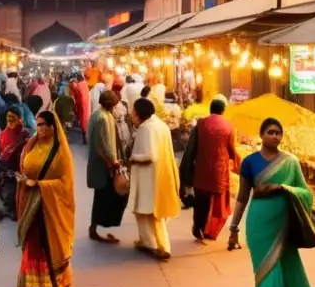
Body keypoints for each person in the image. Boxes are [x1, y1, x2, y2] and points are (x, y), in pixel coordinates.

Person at [228, 118, 315, 287]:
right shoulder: (249, 162)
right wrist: (234, 228)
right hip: (258, 224)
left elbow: (306, 193)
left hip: (283, 225)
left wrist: (283, 188)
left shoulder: (290, 162)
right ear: (262, 135)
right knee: (264, 272)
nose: (275, 137)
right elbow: (242, 197)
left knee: (274, 273)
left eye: (279, 133)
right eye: (271, 132)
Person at [16, 110, 76, 287]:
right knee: (31, 246)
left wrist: (40, 185)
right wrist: (24, 181)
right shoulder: (31, 144)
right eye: (38, 124)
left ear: (52, 127)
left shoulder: (60, 152)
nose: (40, 129)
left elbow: (64, 184)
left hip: (48, 206)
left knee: (40, 245)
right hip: (29, 201)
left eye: (44, 125)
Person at [129, 97, 181, 259]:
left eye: (133, 110)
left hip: (148, 178)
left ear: (138, 113)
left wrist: (133, 157)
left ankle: (156, 245)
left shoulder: (146, 129)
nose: (131, 114)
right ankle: (154, 243)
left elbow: (150, 155)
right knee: (154, 214)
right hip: (161, 175)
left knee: (147, 213)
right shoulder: (161, 125)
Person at [181, 98, 239, 242]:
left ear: (210, 109)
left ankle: (199, 226)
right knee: (216, 201)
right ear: (223, 110)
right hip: (220, 171)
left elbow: (191, 148)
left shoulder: (201, 124)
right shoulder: (229, 126)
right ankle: (209, 229)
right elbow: (232, 150)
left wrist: (186, 168)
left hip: (202, 168)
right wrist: (237, 162)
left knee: (202, 199)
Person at [87, 89, 127, 243]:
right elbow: (106, 144)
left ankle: (95, 227)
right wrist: (114, 161)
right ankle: (94, 228)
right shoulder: (104, 118)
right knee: (104, 198)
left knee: (100, 197)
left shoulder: (97, 115)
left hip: (99, 164)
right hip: (104, 166)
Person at [0, 105, 29, 220]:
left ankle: (14, 210)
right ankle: (8, 209)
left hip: (19, 168)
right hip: (5, 169)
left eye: (13, 117)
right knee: (6, 191)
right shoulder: (3, 134)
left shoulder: (24, 135)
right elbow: (0, 151)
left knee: (15, 192)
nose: (10, 120)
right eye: (8, 117)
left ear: (20, 119)